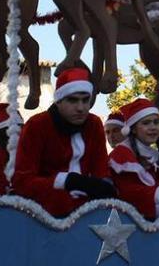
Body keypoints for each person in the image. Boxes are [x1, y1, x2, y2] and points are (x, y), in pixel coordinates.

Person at [12, 68, 116, 217]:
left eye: (85, 100)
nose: (80, 108)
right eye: (73, 100)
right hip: (43, 212)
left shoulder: (94, 124)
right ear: (59, 101)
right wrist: (65, 181)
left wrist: (103, 186)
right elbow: (22, 181)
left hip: (87, 210)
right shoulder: (37, 125)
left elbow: (101, 171)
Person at [109, 99, 159, 219]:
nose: (153, 127)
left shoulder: (158, 155)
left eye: (156, 122)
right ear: (133, 129)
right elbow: (130, 193)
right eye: (146, 123)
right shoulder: (121, 155)